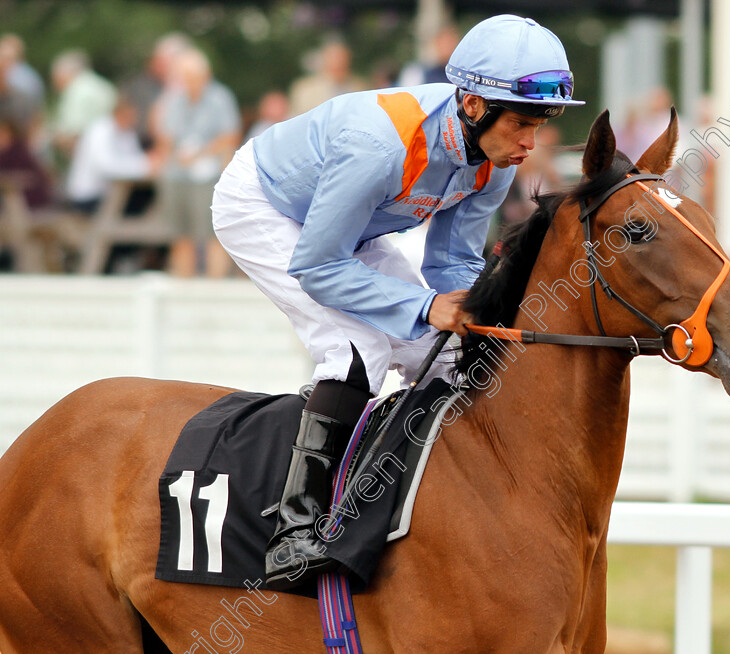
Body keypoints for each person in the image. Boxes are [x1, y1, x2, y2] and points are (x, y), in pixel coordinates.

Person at [212, 14, 584, 589]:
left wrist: (470, 314)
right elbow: (317, 264)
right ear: (472, 105)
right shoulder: (378, 144)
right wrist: (424, 308)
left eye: (540, 125)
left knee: (447, 352)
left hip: (349, 229)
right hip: (263, 206)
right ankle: (295, 528)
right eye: (520, 123)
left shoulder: (492, 161)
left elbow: (452, 267)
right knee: (356, 348)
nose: (530, 143)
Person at [157, 48, 241, 277]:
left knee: (213, 234)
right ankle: (184, 283)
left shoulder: (220, 98)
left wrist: (200, 153)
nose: (188, 83)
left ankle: (215, 286)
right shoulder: (174, 100)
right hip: (177, 173)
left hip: (209, 174)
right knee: (180, 235)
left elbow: (230, 135)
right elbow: (165, 135)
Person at [65, 96, 162, 214]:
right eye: (131, 116)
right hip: (88, 196)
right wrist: (145, 165)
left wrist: (147, 162)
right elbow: (106, 167)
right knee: (138, 201)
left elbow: (134, 158)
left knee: (148, 195)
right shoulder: (100, 131)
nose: (134, 120)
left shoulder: (128, 133)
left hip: (109, 193)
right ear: (120, 113)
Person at [50, 50, 117, 158]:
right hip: (111, 147)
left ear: (63, 74)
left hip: (86, 151)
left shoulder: (74, 90)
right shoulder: (105, 86)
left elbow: (70, 130)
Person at [288, 40, 366, 116]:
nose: (339, 61)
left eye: (342, 57)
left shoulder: (360, 87)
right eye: (334, 57)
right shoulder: (305, 89)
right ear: (325, 59)